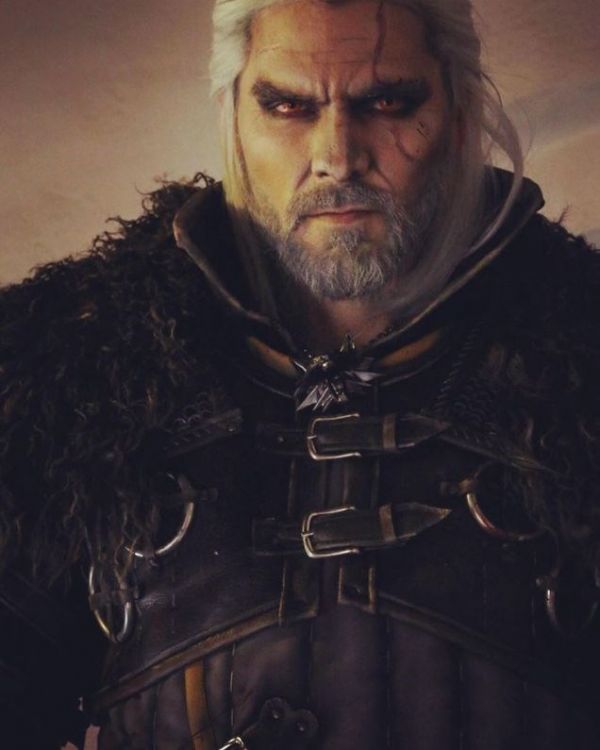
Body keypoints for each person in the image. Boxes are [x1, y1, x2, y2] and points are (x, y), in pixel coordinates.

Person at [1, 0, 599, 748]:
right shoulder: (72, 373)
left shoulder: (584, 361)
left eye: (387, 102)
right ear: (236, 120)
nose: (337, 157)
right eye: (288, 106)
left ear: (456, 114)